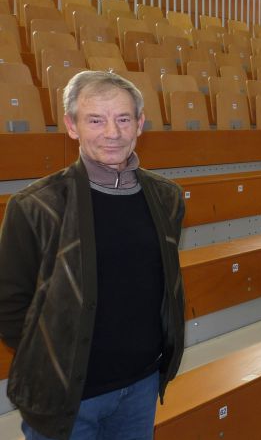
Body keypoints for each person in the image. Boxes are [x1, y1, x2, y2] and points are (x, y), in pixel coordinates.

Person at [0, 71, 186, 440]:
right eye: (95, 120)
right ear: (72, 126)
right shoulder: (36, 205)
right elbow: (8, 304)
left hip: (141, 384)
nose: (112, 133)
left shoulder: (167, 197)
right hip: (67, 395)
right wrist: (55, 361)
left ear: (140, 124)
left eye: (123, 119)